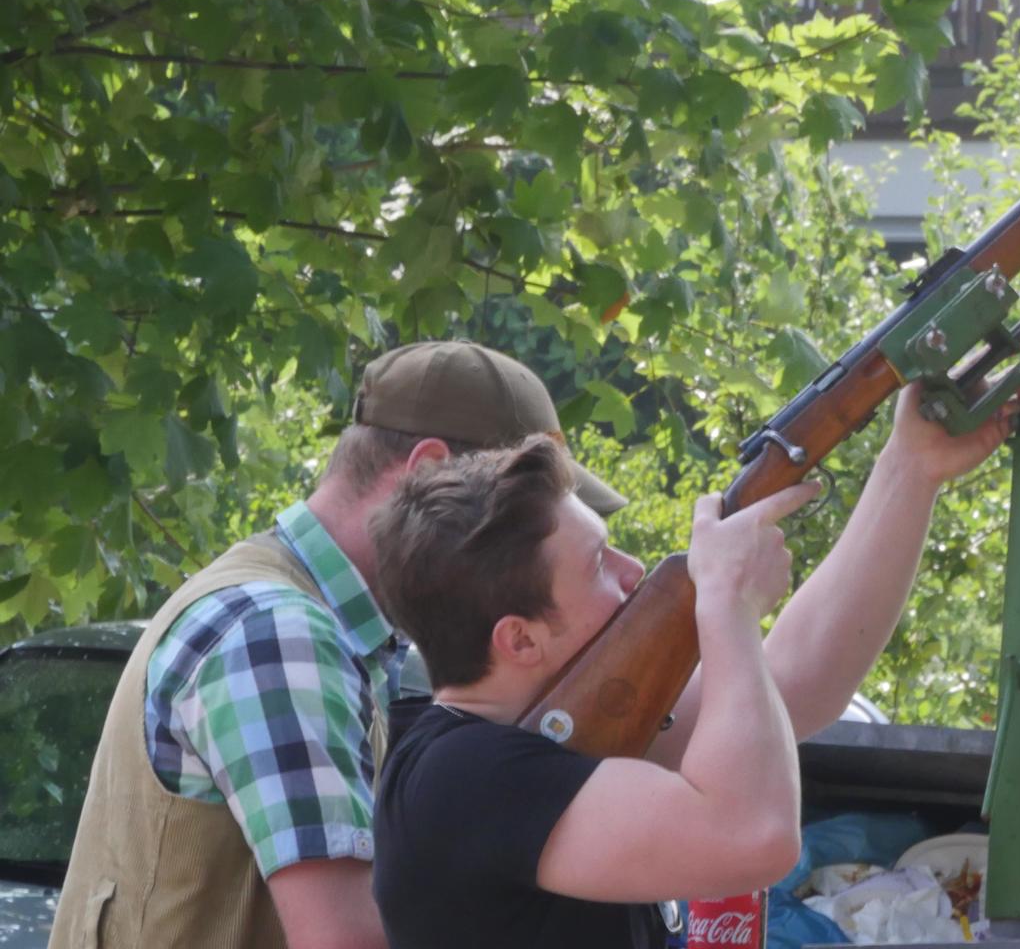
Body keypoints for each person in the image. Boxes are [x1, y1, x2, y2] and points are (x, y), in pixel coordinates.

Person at [366, 384, 1019, 949]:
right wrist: (727, 606)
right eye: (598, 565)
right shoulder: (463, 776)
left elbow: (796, 683)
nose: (632, 572)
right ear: (520, 640)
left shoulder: (537, 738)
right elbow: (752, 836)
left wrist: (911, 468)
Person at [49, 341, 627, 949]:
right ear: (428, 470)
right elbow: (347, 941)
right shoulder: (278, 633)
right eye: (520, 516)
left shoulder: (310, 619)